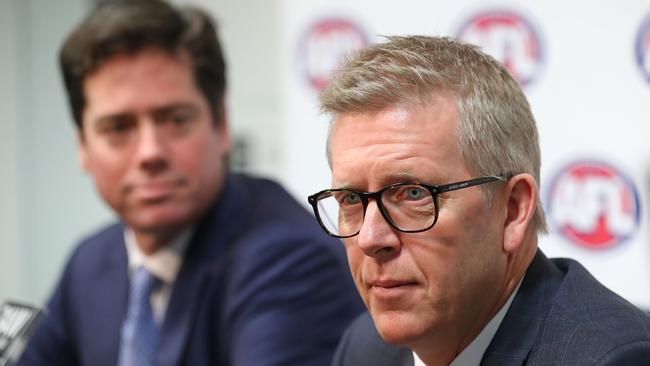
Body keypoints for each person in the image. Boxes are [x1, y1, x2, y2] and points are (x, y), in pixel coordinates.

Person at [17, 1, 364, 365]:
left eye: (176, 120)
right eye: (118, 128)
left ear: (222, 125)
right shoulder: (91, 262)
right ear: (83, 147)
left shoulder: (289, 260)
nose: (150, 152)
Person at [308, 35, 650, 365]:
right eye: (351, 198)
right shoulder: (366, 347)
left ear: (512, 210)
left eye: (413, 194)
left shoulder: (607, 358)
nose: (370, 238)